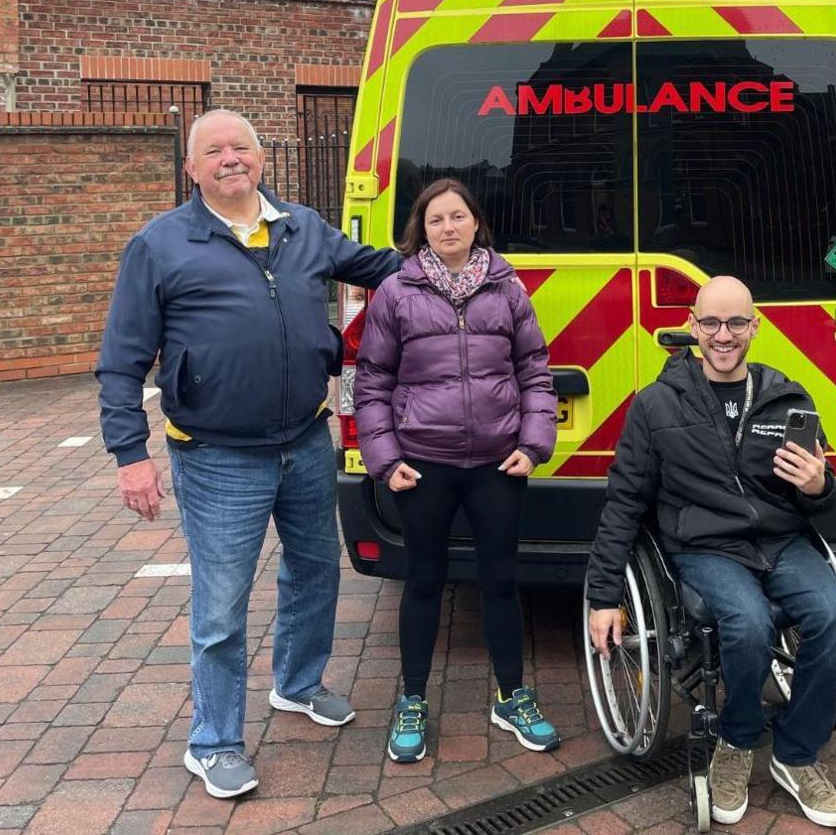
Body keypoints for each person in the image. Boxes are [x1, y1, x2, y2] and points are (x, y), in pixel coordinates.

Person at [95, 109, 401, 799]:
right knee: (221, 604)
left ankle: (296, 684)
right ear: (193, 168)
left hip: (304, 438)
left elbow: (380, 267)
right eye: (215, 151)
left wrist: (454, 261)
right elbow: (121, 362)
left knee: (316, 571)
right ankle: (214, 741)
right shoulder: (160, 244)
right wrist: (129, 455)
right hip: (216, 456)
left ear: (261, 159)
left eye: (241, 147)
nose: (230, 159)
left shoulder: (302, 227)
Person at [585, 277, 836, 828]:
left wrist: (816, 487)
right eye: (711, 323)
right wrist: (603, 595)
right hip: (707, 547)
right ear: (693, 326)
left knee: (833, 617)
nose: (723, 335)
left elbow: (822, 502)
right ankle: (736, 742)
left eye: (736, 323)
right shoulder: (656, 405)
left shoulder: (787, 397)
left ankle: (795, 753)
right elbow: (624, 504)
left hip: (781, 541)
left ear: (755, 326)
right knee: (748, 624)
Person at [353, 178, 560, 763]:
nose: (448, 227)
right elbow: (372, 383)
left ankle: (511, 694)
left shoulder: (507, 287)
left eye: (458, 216)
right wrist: (385, 460)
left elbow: (534, 371)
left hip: (498, 461)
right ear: (423, 227)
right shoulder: (396, 292)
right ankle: (412, 698)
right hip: (424, 463)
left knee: (499, 580)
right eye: (436, 218)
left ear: (476, 224)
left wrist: (534, 442)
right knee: (422, 580)